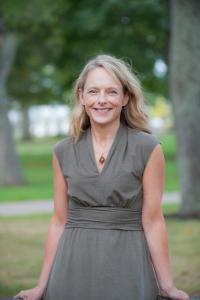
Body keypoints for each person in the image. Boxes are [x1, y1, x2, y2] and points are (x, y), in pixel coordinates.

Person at [14, 54, 189, 300]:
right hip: (71, 265)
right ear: (81, 96)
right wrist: (41, 285)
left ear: (125, 97)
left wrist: (167, 285)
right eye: (94, 91)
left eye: (112, 92)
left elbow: (153, 220)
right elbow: (58, 221)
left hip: (128, 264)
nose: (102, 100)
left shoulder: (148, 148)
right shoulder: (62, 151)